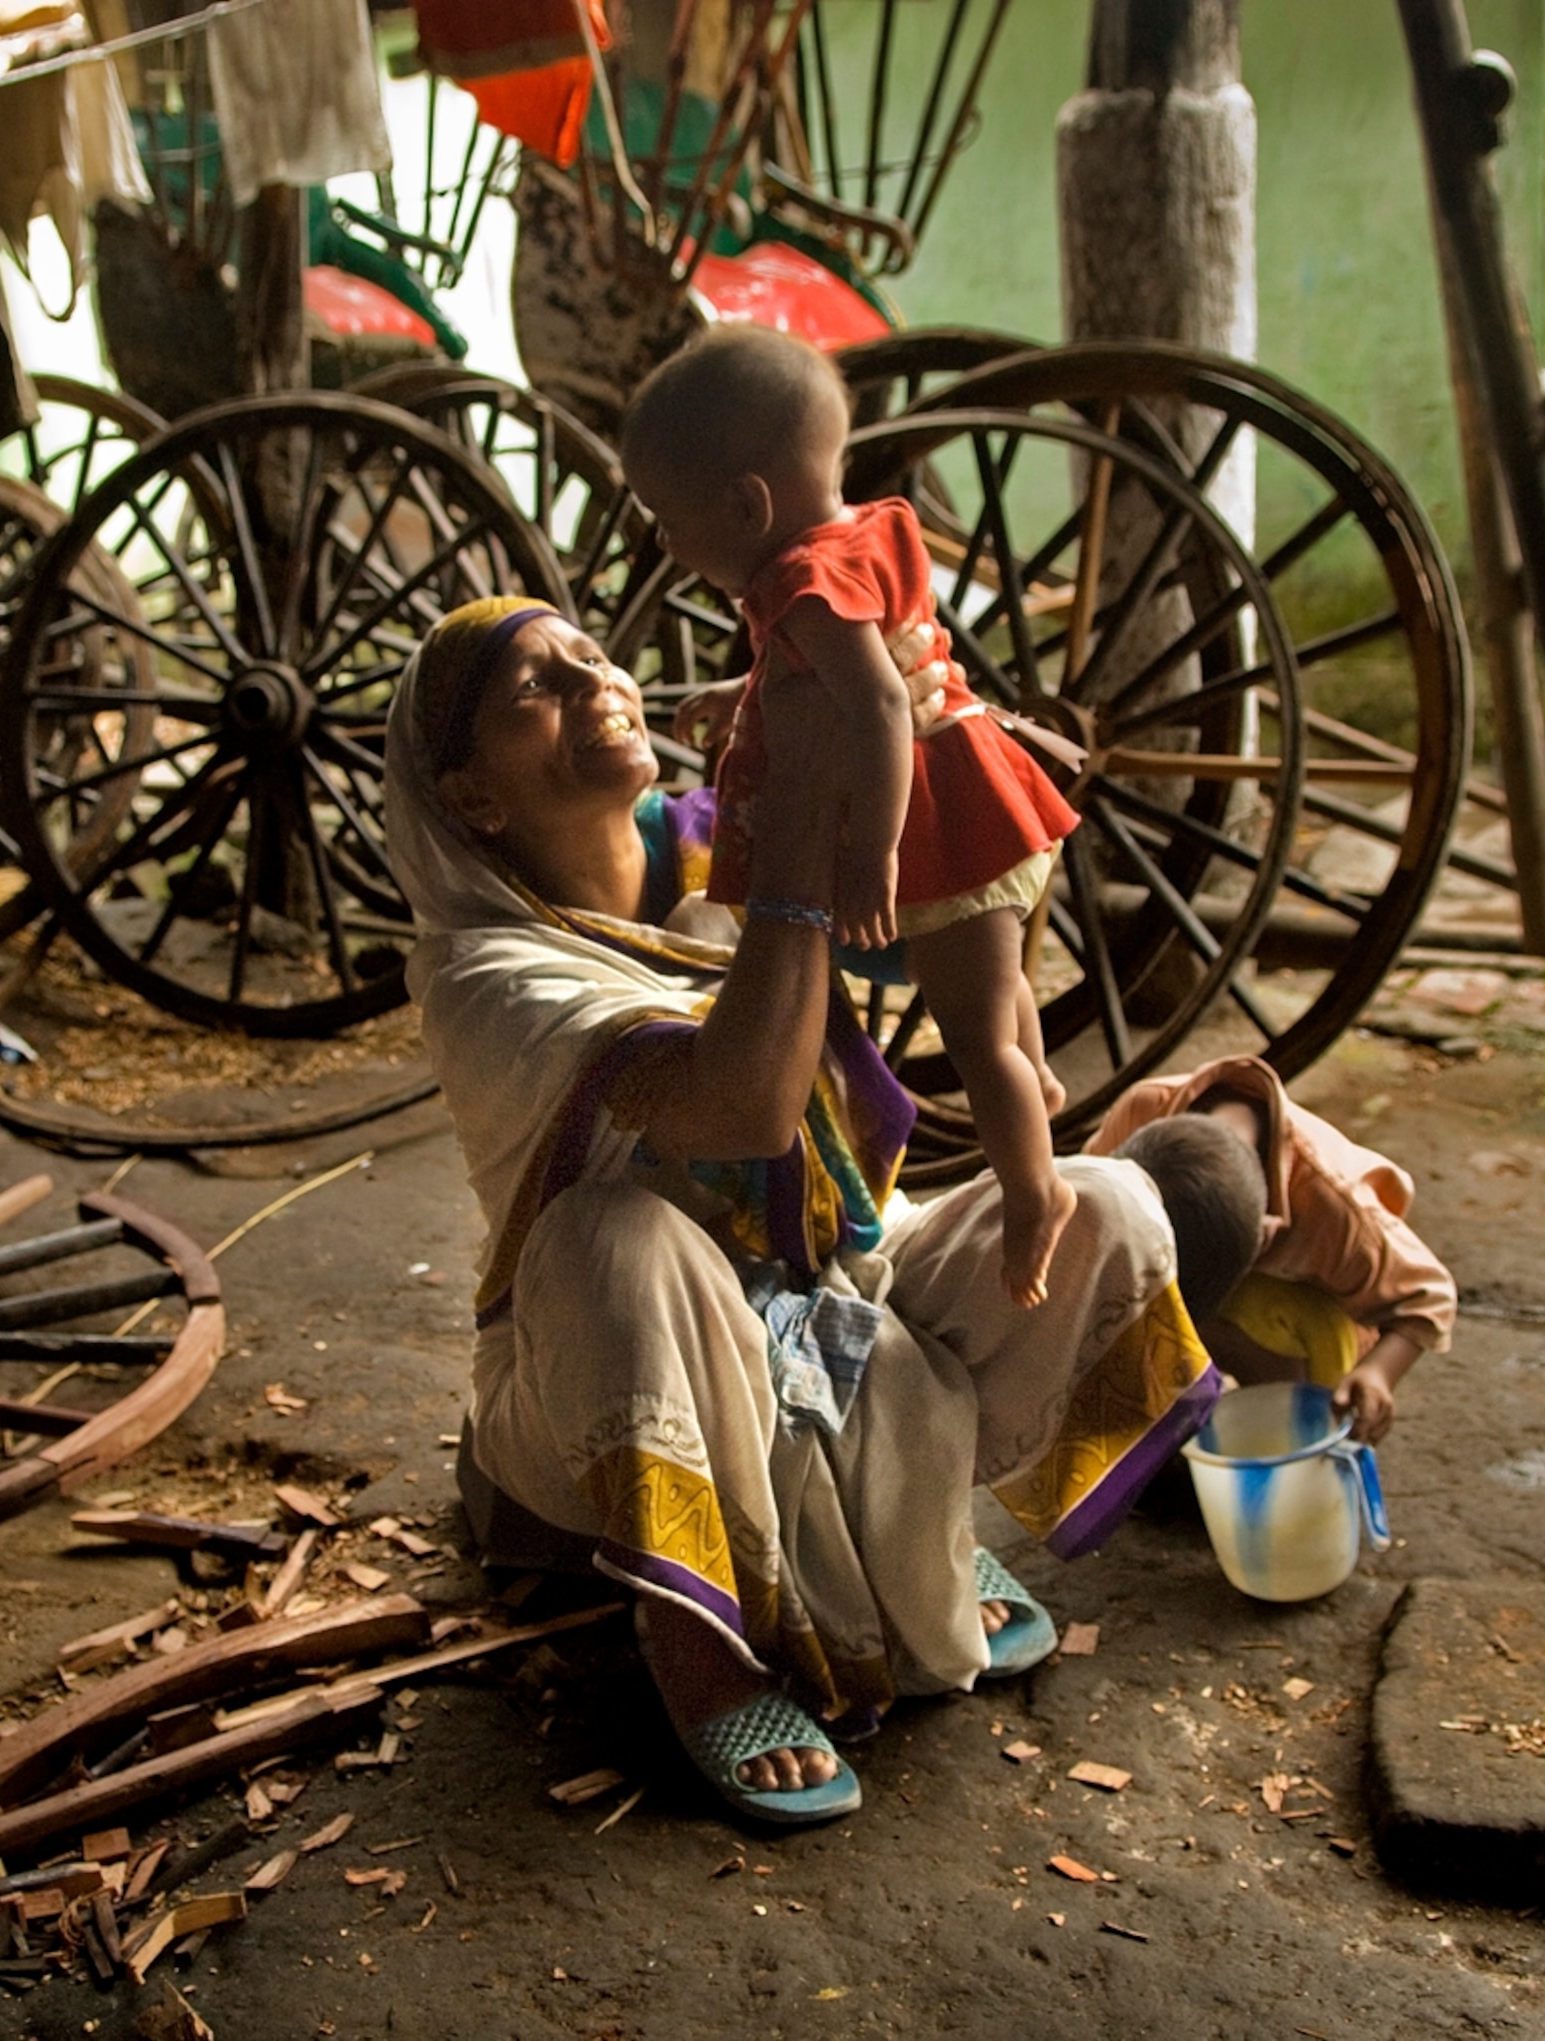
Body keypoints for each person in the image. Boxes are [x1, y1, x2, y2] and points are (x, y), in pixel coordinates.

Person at [392, 594, 1221, 1826]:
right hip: (604, 1394)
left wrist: (940, 745)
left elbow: (938, 913)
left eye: (589, 656)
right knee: (609, 1237)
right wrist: (788, 854)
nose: (590, 679)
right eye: (535, 689)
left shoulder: (715, 837)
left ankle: (908, 1526)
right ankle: (701, 1649)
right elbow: (743, 1112)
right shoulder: (484, 972)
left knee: (1104, 1202)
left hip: (829, 1295)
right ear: (472, 798)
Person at [617, 327, 1085, 1309]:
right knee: (991, 983)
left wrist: (872, 853)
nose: (663, 541)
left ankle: (1035, 1194)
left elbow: (871, 703)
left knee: (976, 1036)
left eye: (666, 518)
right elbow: (826, 668)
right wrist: (738, 693)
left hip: (938, 819)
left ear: (745, 505)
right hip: (973, 783)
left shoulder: (795, 582)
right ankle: (1035, 1093)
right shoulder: (852, 535)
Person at [1090, 1057, 1456, 1444]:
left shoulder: (1333, 1207)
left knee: (1280, 1421)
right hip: (1205, 1284)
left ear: (1266, 1235)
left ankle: (1279, 1426)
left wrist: (1379, 1373)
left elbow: (1428, 1297)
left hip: (1299, 1308)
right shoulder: (1141, 1109)